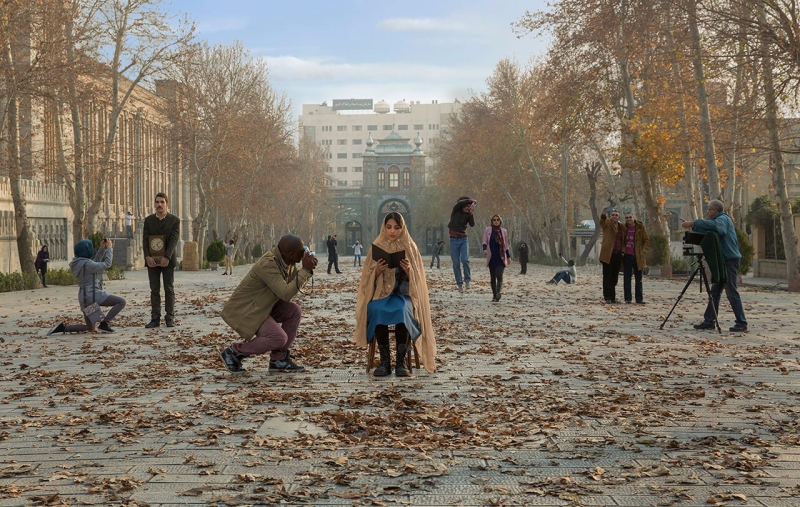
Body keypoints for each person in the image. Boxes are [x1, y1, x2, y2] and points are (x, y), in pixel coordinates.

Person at [219, 234, 318, 373]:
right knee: (278, 337)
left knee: (294, 311)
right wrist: (305, 270)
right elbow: (285, 293)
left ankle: (279, 359)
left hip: (264, 305)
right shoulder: (269, 264)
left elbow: (291, 287)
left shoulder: (286, 261)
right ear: (290, 253)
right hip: (248, 309)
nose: (304, 253)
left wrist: (307, 271)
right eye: (301, 251)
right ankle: (233, 352)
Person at [354, 212, 436, 376]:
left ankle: (401, 362)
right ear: (384, 227)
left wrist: (408, 270)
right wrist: (377, 271)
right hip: (380, 295)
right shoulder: (377, 246)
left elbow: (419, 279)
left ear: (402, 228)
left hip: (402, 295)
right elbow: (365, 278)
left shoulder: (410, 247)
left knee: (401, 310)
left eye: (396, 228)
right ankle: (384, 362)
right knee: (376, 309)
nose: (392, 231)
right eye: (389, 227)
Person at [681, 199, 748, 332]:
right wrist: (692, 226)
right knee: (715, 291)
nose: (707, 211)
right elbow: (707, 227)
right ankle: (709, 321)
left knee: (731, 291)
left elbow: (719, 228)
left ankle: (742, 322)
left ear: (715, 210)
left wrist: (694, 222)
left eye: (709, 209)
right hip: (722, 260)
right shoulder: (716, 220)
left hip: (730, 260)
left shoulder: (723, 219)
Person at [48, 239, 126, 335]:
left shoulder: (78, 263)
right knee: (121, 302)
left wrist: (102, 249)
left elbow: (95, 263)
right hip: (93, 295)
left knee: (90, 327)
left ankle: (63, 328)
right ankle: (105, 324)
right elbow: (107, 264)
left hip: (84, 298)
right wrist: (109, 248)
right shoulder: (88, 264)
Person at [143, 192, 180, 328]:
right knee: (154, 289)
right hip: (152, 261)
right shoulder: (148, 220)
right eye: (157, 202)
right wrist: (147, 256)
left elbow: (173, 240)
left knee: (169, 288)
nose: (159, 205)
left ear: (167, 204)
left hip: (167, 260)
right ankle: (155, 318)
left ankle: (170, 317)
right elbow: (145, 240)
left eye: (162, 202)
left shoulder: (174, 220)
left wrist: (166, 257)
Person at [447, 196, 476, 293]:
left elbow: (472, 224)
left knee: (465, 260)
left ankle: (467, 280)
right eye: (466, 206)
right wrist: (470, 200)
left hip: (463, 239)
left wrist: (471, 214)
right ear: (462, 205)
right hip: (453, 240)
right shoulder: (455, 211)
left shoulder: (468, 215)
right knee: (455, 263)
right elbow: (459, 204)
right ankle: (459, 283)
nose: (468, 207)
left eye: (469, 206)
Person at [622, 212, 650, 304]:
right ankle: (628, 298)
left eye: (630, 217)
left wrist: (643, 251)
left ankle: (639, 299)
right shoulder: (623, 228)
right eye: (627, 217)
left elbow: (646, 240)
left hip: (638, 257)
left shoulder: (640, 227)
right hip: (627, 257)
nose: (628, 219)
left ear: (633, 218)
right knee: (627, 279)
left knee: (639, 279)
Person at [482, 214, 511, 302]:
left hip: (501, 257)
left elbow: (505, 245)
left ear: (500, 221)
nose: (496, 221)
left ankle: (498, 293)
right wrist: (484, 249)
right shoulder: (488, 230)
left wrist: (508, 256)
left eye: (497, 220)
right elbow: (484, 241)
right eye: (494, 220)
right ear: (492, 221)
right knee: (492, 277)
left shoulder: (504, 231)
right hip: (492, 257)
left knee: (499, 276)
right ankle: (494, 295)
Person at [599, 207, 624, 304]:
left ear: (619, 216)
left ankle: (613, 297)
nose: (614, 216)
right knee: (607, 276)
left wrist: (623, 251)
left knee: (614, 277)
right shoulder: (607, 224)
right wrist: (603, 215)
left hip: (618, 254)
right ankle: (607, 297)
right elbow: (602, 222)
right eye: (613, 215)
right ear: (610, 216)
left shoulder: (622, 227)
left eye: (616, 215)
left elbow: (624, 239)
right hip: (607, 254)